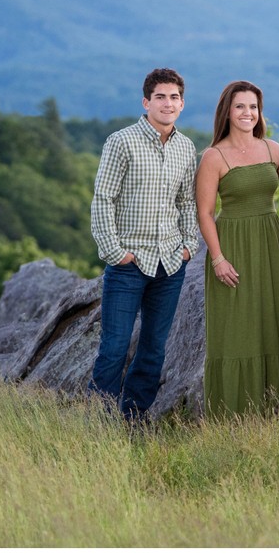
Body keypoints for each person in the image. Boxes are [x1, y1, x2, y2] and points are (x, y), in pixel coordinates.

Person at [88, 67, 198, 422]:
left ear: (182, 104)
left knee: (153, 349)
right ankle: (97, 423)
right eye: (160, 97)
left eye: (174, 97)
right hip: (129, 264)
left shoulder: (186, 148)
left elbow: (187, 202)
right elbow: (103, 198)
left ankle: (133, 419)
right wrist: (114, 252)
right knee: (115, 347)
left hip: (170, 263)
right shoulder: (121, 141)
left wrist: (189, 246)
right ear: (146, 102)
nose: (168, 103)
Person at [196, 80, 279, 418]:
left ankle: (277, 406)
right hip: (233, 246)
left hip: (269, 245)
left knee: (276, 320)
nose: (248, 113)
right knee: (236, 330)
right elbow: (205, 213)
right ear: (227, 111)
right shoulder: (214, 156)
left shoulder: (272, 149)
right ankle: (234, 415)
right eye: (240, 106)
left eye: (253, 107)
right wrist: (218, 259)